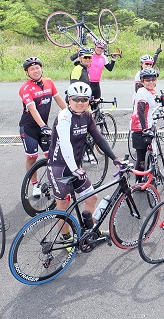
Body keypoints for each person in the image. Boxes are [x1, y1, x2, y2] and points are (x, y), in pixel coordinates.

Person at [47, 82, 119, 239]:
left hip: (75, 167)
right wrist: (74, 168)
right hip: (59, 167)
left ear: (89, 101)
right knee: (63, 205)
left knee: (92, 198)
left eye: (84, 99)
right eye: (76, 99)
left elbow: (98, 138)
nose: (80, 103)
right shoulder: (64, 117)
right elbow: (65, 144)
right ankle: (66, 238)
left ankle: (89, 230)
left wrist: (114, 158)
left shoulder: (87, 115)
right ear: (68, 100)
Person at [19, 57, 67, 197]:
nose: (35, 71)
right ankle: (34, 185)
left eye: (37, 68)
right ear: (27, 72)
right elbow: (33, 109)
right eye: (31, 69)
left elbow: (59, 101)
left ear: (41, 68)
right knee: (32, 157)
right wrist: (44, 126)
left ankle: (54, 181)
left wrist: (73, 114)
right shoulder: (25, 88)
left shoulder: (49, 82)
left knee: (51, 155)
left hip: (43, 127)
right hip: (29, 128)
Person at [130, 68, 159, 174]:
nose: (151, 82)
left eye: (153, 79)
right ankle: (138, 183)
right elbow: (140, 110)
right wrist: (145, 129)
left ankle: (146, 179)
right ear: (142, 81)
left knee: (147, 156)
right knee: (141, 159)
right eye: (147, 80)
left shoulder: (148, 91)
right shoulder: (142, 92)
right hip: (140, 129)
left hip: (147, 126)